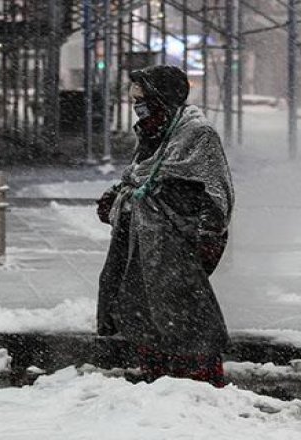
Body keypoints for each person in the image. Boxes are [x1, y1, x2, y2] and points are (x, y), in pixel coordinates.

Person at [95, 65, 234, 387]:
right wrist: (117, 199)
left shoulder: (197, 134)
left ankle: (198, 382)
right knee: (138, 308)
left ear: (162, 97)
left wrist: (206, 236)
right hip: (143, 240)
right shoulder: (155, 130)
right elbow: (141, 177)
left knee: (183, 315)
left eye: (141, 96)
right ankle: (156, 379)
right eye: (133, 95)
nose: (135, 103)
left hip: (173, 244)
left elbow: (215, 191)